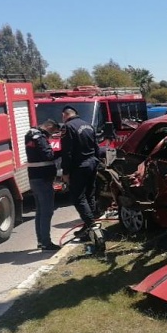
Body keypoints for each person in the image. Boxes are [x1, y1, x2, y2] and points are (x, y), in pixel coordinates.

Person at [60, 105, 101, 238]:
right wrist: (97, 162)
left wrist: (65, 172)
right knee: (90, 195)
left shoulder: (68, 127)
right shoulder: (88, 125)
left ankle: (92, 226)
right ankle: (89, 227)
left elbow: (67, 152)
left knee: (78, 197)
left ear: (65, 115)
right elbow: (96, 146)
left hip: (80, 166)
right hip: (92, 163)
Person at [25, 119, 61, 251]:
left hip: (34, 178)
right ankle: (46, 243)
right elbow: (48, 155)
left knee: (40, 211)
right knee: (47, 212)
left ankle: (41, 241)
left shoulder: (30, 135)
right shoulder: (40, 138)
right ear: (49, 126)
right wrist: (60, 153)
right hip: (43, 179)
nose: (51, 135)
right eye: (52, 132)